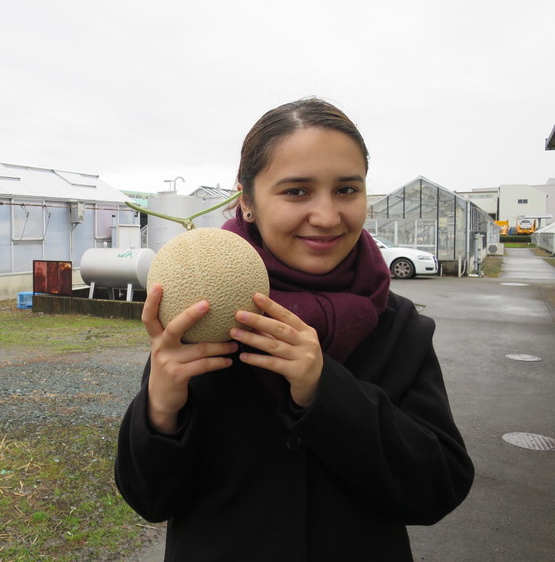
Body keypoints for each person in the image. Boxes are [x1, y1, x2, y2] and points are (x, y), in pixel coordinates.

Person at [114, 98, 474, 561]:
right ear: (246, 200)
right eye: (296, 192)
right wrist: (159, 410)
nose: (326, 216)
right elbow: (149, 499)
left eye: (347, 189)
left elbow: (438, 487)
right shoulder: (198, 315)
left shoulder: (398, 326)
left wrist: (326, 390)